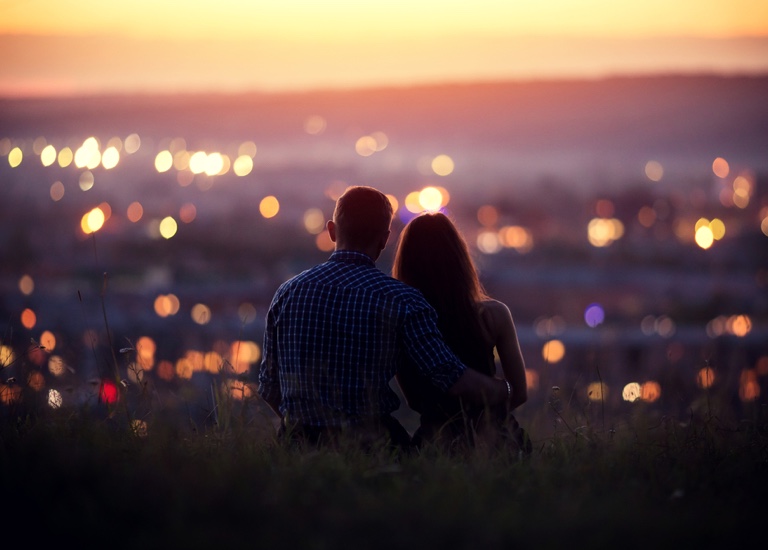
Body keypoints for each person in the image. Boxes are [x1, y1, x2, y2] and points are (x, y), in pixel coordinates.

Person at [257, 186, 511, 453]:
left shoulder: (288, 293)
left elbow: (269, 387)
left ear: (332, 231)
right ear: (385, 239)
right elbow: (449, 377)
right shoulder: (402, 300)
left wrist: (306, 425)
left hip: (296, 447)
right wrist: (504, 390)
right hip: (371, 445)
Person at [392, 211, 529, 454]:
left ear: (407, 264)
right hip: (500, 438)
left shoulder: (404, 321)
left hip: (435, 442)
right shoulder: (494, 314)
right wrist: (493, 397)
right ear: (460, 259)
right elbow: (518, 392)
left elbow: (413, 400)